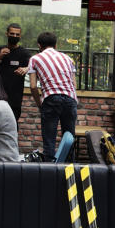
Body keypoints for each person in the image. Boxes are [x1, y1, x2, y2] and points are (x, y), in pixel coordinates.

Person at [28, 32, 79, 161]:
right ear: (56, 45)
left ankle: (49, 174)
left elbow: (33, 86)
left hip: (51, 98)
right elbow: (74, 84)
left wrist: (40, 104)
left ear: (39, 46)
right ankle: (69, 172)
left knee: (49, 141)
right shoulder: (67, 58)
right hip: (70, 99)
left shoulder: (35, 59)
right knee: (69, 139)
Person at [0, 23, 32, 121]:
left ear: (20, 36)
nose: (14, 36)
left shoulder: (24, 53)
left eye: (17, 34)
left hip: (15, 96)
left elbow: (34, 66)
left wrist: (26, 69)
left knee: (12, 122)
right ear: (6, 34)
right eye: (12, 34)